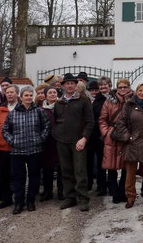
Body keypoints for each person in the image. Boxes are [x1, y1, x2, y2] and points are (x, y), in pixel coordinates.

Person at [2, 86, 50, 214]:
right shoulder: (13, 113)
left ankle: (30, 201)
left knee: (34, 177)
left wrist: (41, 138)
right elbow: (5, 130)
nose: (28, 98)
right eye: (26, 95)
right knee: (18, 178)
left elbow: (46, 126)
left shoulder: (39, 111)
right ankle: (19, 203)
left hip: (35, 150)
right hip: (17, 151)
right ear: (21, 97)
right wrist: (12, 141)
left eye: (30, 95)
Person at [52, 73, 94, 212]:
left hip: (78, 141)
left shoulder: (83, 100)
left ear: (76, 85)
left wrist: (84, 138)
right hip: (61, 141)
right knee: (66, 171)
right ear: (62, 86)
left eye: (72, 83)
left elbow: (90, 122)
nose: (69, 85)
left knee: (80, 171)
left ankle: (83, 199)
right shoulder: (59, 102)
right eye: (67, 83)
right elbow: (55, 121)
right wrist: (56, 135)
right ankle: (69, 197)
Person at [116, 83, 143, 208]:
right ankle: (130, 197)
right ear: (136, 91)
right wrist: (127, 137)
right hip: (132, 144)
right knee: (130, 173)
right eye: (140, 90)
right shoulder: (128, 105)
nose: (142, 93)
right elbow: (121, 123)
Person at [99, 78, 134, 204]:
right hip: (112, 135)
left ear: (129, 87)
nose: (123, 89)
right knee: (111, 166)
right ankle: (114, 192)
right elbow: (102, 118)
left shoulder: (133, 101)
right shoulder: (109, 101)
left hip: (127, 136)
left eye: (125, 87)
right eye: (120, 87)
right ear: (117, 88)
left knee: (126, 166)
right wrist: (105, 132)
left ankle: (123, 191)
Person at [88, 76, 111, 197]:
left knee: (110, 161)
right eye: (100, 86)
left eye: (104, 85)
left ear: (109, 86)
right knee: (101, 161)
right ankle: (101, 186)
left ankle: (111, 185)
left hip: (111, 134)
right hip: (97, 135)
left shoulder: (113, 98)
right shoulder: (97, 100)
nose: (102, 87)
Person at [41, 86, 63, 201]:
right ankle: (47, 191)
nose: (53, 94)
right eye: (50, 93)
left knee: (61, 167)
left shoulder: (62, 106)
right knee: (47, 168)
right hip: (47, 142)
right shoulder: (41, 109)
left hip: (60, 141)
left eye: (54, 92)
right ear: (45, 96)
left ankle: (61, 191)